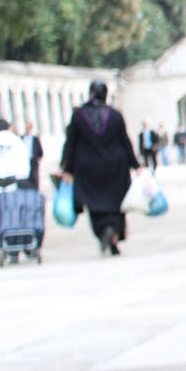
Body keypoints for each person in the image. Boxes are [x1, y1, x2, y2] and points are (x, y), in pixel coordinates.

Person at [61, 80, 141, 256]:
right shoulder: (115, 115)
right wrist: (135, 165)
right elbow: (125, 141)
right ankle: (114, 231)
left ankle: (102, 230)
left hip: (88, 168)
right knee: (116, 204)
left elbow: (71, 144)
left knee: (95, 203)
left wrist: (67, 168)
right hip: (115, 167)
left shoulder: (79, 116)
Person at [22, 121, 44, 187]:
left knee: (34, 177)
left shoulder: (35, 138)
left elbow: (39, 149)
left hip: (33, 160)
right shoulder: (22, 138)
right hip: (24, 160)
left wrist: (39, 157)